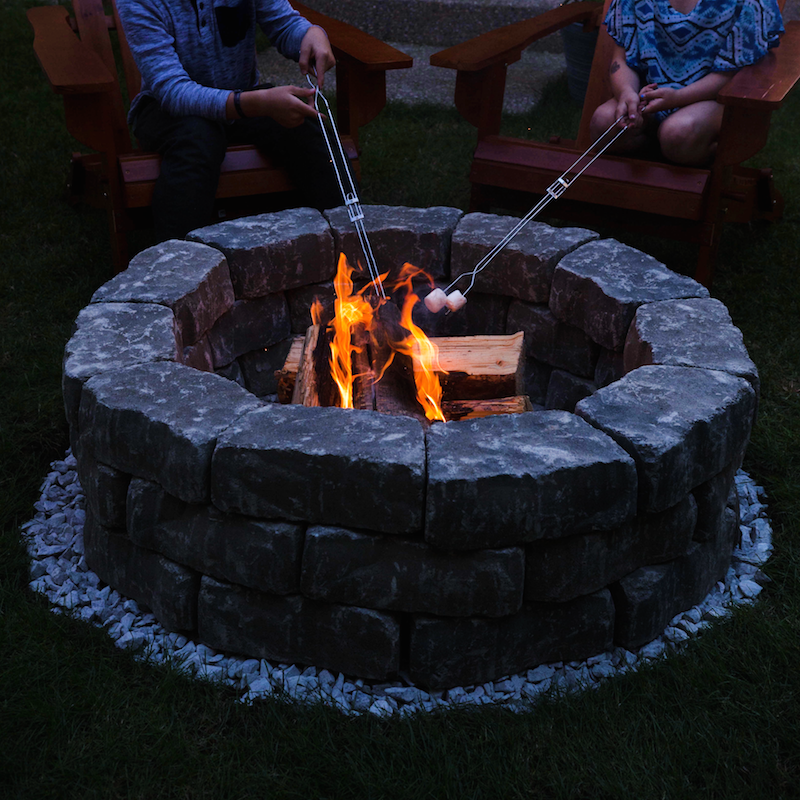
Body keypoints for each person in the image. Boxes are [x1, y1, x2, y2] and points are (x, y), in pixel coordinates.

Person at [116, 0, 343, 241]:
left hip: (243, 94)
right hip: (167, 110)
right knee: (198, 139)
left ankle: (352, 241)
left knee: (305, 127)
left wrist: (311, 34)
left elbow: (285, 24)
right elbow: (172, 90)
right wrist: (254, 103)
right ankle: (177, 265)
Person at [589, 0, 784, 165]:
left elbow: (734, 73)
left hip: (713, 99)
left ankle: (700, 158)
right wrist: (626, 92)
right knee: (603, 122)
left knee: (677, 133)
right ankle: (656, 153)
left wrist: (679, 97)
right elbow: (621, 59)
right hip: (648, 97)